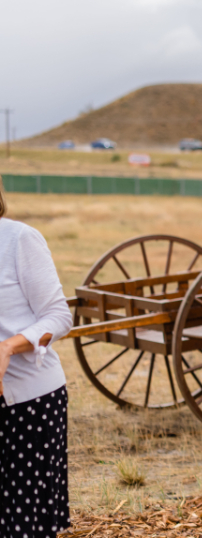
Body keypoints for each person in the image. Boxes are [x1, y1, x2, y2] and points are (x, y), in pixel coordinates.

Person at [0, 176, 73, 538]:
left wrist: (9, 346)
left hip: (28, 406)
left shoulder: (18, 239)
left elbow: (59, 317)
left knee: (23, 525)